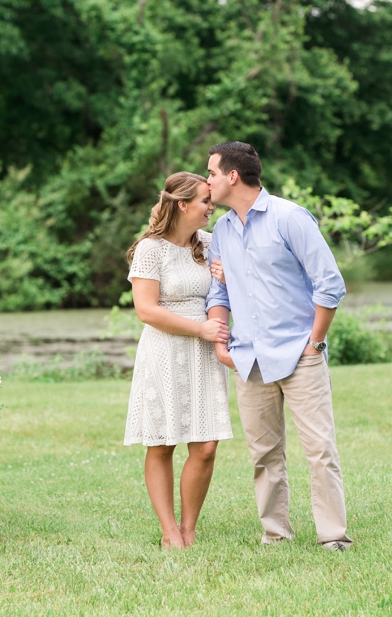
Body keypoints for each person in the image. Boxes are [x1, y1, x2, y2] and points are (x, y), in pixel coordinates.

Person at [204, 141, 353, 551]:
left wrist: (315, 342)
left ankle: (333, 536)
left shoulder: (290, 218)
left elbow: (330, 284)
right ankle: (276, 533)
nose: (208, 181)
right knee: (263, 455)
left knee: (319, 449)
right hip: (248, 359)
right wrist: (222, 344)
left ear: (233, 176)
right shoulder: (221, 230)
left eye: (212, 173)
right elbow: (218, 294)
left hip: (299, 355)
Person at [124, 171, 234, 549]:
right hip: (165, 350)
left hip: (204, 354)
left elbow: (228, 291)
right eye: (205, 200)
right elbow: (146, 310)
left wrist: (228, 276)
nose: (211, 206)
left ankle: (189, 528)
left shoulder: (210, 242)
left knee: (206, 446)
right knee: (162, 442)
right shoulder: (150, 249)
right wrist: (199, 329)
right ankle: (169, 531)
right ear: (183, 204)